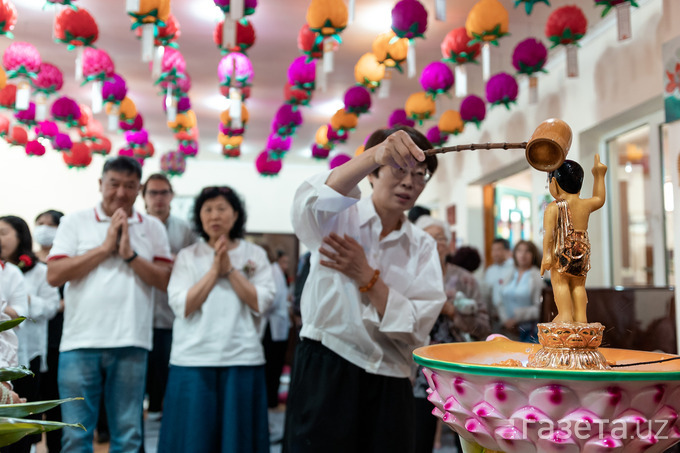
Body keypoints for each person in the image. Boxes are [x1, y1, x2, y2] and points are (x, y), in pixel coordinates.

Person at [284, 126, 446, 452]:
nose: (409, 182)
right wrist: (374, 154)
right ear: (373, 173)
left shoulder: (423, 246)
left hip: (390, 379)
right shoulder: (340, 217)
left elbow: (417, 326)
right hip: (328, 365)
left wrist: (367, 278)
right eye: (399, 168)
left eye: (420, 174)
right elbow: (308, 204)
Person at [47, 156, 172, 453]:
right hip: (79, 342)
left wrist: (129, 254)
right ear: (100, 183)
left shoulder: (152, 227)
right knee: (76, 435)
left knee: (128, 435)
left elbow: (165, 280)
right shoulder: (74, 221)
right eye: (113, 183)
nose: (120, 192)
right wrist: (104, 249)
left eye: (129, 186)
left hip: (132, 341)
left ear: (138, 188)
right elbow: (54, 275)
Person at [158, 186, 274, 453]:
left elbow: (260, 302)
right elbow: (183, 305)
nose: (214, 216)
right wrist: (214, 270)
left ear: (236, 214)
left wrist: (230, 270)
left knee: (239, 441)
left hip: (242, 357)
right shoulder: (188, 256)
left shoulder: (254, 255)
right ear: (199, 216)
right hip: (194, 359)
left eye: (222, 209)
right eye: (208, 209)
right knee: (192, 440)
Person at [412, 216, 489, 453]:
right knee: (417, 433)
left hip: (457, 369)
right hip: (417, 369)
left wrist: (452, 312)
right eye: (431, 238)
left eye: (442, 237)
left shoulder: (465, 280)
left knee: (465, 436)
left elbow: (484, 328)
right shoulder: (410, 277)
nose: (438, 243)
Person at [0, 216, 60, 452]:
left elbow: (44, 308)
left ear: (20, 236)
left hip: (25, 352)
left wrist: (17, 303)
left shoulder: (22, 272)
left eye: (4, 232)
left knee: (20, 417)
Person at [141, 173, 197, 420]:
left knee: (164, 366)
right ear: (144, 197)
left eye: (164, 192)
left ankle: (159, 408)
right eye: (153, 192)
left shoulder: (184, 228)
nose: (159, 198)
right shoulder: (136, 224)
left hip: (170, 313)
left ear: (172, 196)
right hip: (137, 311)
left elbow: (196, 263)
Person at [540, 156, 607, 324]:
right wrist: (599, 175)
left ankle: (565, 316)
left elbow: (549, 234)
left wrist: (547, 256)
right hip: (582, 248)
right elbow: (600, 199)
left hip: (562, 249)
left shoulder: (553, 207)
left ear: (553, 183)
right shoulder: (584, 204)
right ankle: (581, 318)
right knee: (578, 285)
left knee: (560, 282)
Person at [34, 209, 66, 453]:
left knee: (54, 396)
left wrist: (52, 305)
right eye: (40, 223)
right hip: (31, 340)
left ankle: (56, 445)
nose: (43, 228)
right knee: (32, 397)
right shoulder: (26, 262)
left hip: (57, 337)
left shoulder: (65, 262)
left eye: (49, 224)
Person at [499, 240, 544, 342]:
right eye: (519, 250)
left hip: (529, 331)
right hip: (507, 329)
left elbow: (540, 308)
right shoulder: (509, 273)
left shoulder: (537, 276)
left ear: (533, 255)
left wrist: (516, 319)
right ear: (514, 254)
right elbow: (500, 300)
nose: (523, 254)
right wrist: (505, 320)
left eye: (527, 251)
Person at [263, 250, 291, 410]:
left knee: (275, 365)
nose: (286, 266)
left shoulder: (276, 273)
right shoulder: (274, 272)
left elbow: (274, 299)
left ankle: (271, 398)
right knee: (273, 365)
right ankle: (270, 398)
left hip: (277, 325)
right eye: (284, 262)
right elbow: (274, 299)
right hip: (274, 325)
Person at [483, 237, 514, 331]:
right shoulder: (489, 271)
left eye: (498, 250)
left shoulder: (514, 269)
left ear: (507, 251)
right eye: (493, 250)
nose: (495, 253)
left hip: (511, 318)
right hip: (493, 318)